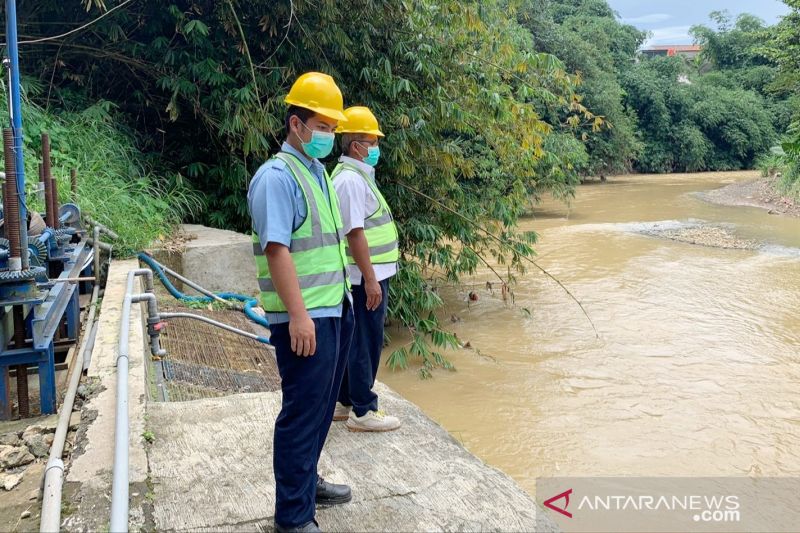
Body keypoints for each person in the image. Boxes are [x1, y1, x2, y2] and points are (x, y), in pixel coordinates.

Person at [247, 72, 354, 533]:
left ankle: (308, 482)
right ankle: (292, 517)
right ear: (297, 124)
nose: (329, 135)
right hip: (307, 318)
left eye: (333, 127)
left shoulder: (318, 175)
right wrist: (298, 317)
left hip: (335, 309)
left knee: (321, 408)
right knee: (300, 413)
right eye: (323, 126)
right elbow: (278, 250)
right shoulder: (276, 177)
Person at [330, 106, 401, 432]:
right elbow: (354, 232)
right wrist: (371, 279)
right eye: (372, 142)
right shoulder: (350, 181)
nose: (376, 149)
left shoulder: (357, 177)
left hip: (370, 274)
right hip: (364, 277)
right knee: (365, 341)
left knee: (357, 338)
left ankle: (346, 401)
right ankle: (363, 410)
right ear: (357, 146)